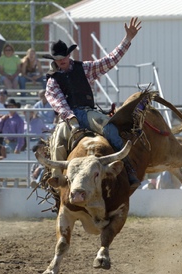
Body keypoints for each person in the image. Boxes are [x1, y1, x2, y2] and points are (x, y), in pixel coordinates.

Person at [43, 17, 142, 190]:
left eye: (63, 56)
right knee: (58, 142)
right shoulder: (52, 81)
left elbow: (108, 61)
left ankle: (127, 166)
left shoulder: (85, 68)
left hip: (87, 112)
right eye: (58, 58)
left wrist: (127, 40)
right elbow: (58, 102)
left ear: (68, 55)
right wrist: (70, 117)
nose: (61, 60)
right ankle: (57, 178)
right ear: (54, 59)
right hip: (68, 118)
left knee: (109, 127)